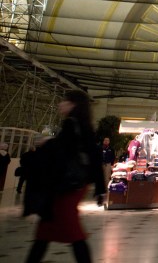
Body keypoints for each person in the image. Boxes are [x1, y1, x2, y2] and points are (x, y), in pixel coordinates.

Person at [25, 90, 105, 263]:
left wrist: (47, 142)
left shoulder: (71, 123)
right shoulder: (84, 125)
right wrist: (100, 188)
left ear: (73, 104)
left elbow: (64, 149)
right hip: (75, 183)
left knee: (69, 229)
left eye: (64, 101)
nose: (60, 104)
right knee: (46, 230)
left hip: (67, 186)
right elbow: (94, 156)